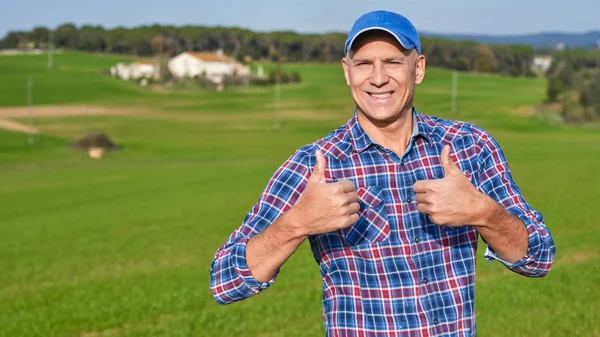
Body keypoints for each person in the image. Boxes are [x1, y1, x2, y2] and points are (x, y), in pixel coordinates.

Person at [210, 10, 555, 336]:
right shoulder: (315, 165)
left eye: (392, 62)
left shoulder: (470, 147)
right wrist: (299, 222)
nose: (377, 78)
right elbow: (225, 281)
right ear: (347, 72)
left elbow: (539, 258)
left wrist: (483, 213)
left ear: (417, 69)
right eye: (363, 64)